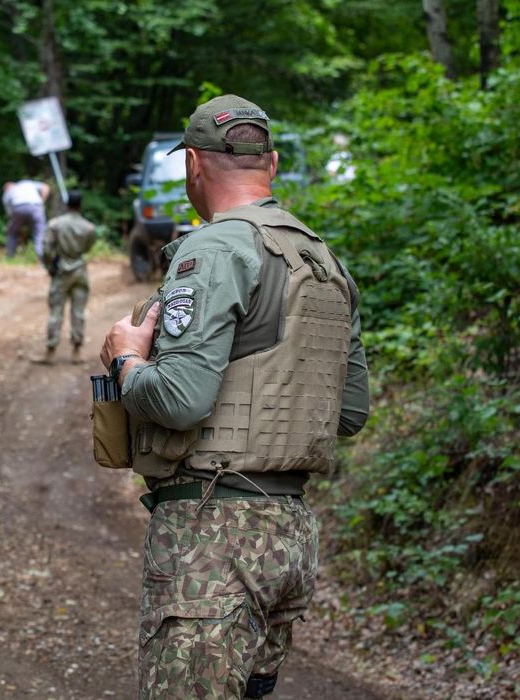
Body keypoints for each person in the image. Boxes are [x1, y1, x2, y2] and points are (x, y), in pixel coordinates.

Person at [98, 95, 369, 699]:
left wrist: (126, 357)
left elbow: (178, 400)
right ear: (270, 163)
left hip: (214, 537)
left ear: (193, 163)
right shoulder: (321, 258)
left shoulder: (215, 249)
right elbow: (348, 412)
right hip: (290, 535)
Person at [39, 189, 95, 363]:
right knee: (78, 311)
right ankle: (77, 351)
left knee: (55, 311)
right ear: (80, 205)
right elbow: (87, 248)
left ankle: (50, 351)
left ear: (67, 204)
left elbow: (47, 249)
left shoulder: (55, 224)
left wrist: (50, 265)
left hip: (61, 271)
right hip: (80, 271)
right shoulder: (89, 228)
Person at [2, 179, 51, 258]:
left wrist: (15, 223)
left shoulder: (7, 193)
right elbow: (46, 187)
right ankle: (41, 257)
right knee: (40, 233)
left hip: (18, 208)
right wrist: (42, 202)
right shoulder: (26, 183)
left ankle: (10, 256)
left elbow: (9, 214)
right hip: (36, 207)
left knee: (12, 232)